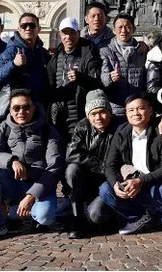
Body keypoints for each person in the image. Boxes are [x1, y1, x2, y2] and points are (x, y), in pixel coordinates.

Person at [0, 88, 62, 241]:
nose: (21, 112)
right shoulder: (3, 128)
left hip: (40, 185)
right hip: (13, 183)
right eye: (16, 108)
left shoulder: (48, 130)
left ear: (34, 108)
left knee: (45, 218)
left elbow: (54, 168)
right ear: (10, 110)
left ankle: (30, 213)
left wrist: (31, 196)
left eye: (26, 107)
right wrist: (11, 160)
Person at [100, 93, 162, 240]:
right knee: (105, 190)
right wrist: (115, 184)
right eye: (131, 110)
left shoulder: (161, 130)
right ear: (126, 113)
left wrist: (140, 181)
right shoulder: (122, 132)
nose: (136, 113)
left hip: (155, 183)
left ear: (150, 111)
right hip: (134, 184)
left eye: (140, 108)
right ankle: (138, 218)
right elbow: (109, 165)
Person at [65, 90, 122, 238]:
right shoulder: (82, 127)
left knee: (96, 215)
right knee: (72, 169)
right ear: (88, 115)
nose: (98, 118)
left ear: (109, 111)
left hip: (111, 181)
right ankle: (77, 217)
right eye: (93, 113)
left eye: (102, 112)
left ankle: (113, 216)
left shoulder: (121, 127)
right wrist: (99, 165)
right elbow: (72, 154)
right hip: (88, 178)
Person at [47, 17, 102, 140]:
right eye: (65, 33)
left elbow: (97, 83)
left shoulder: (89, 54)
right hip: (57, 114)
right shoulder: (54, 57)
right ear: (59, 35)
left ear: (78, 33)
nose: (68, 37)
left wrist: (80, 78)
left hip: (79, 112)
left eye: (72, 33)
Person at [0, 12, 50, 113]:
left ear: (38, 29)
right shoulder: (12, 50)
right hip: (18, 109)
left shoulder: (42, 52)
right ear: (19, 29)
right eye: (24, 26)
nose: (28, 28)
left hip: (38, 108)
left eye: (32, 25)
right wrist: (13, 64)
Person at [100, 14, 148, 116]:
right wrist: (110, 77)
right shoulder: (105, 50)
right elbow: (102, 76)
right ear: (113, 30)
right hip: (115, 107)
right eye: (120, 27)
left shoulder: (142, 50)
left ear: (133, 29)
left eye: (127, 27)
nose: (123, 31)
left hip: (137, 107)